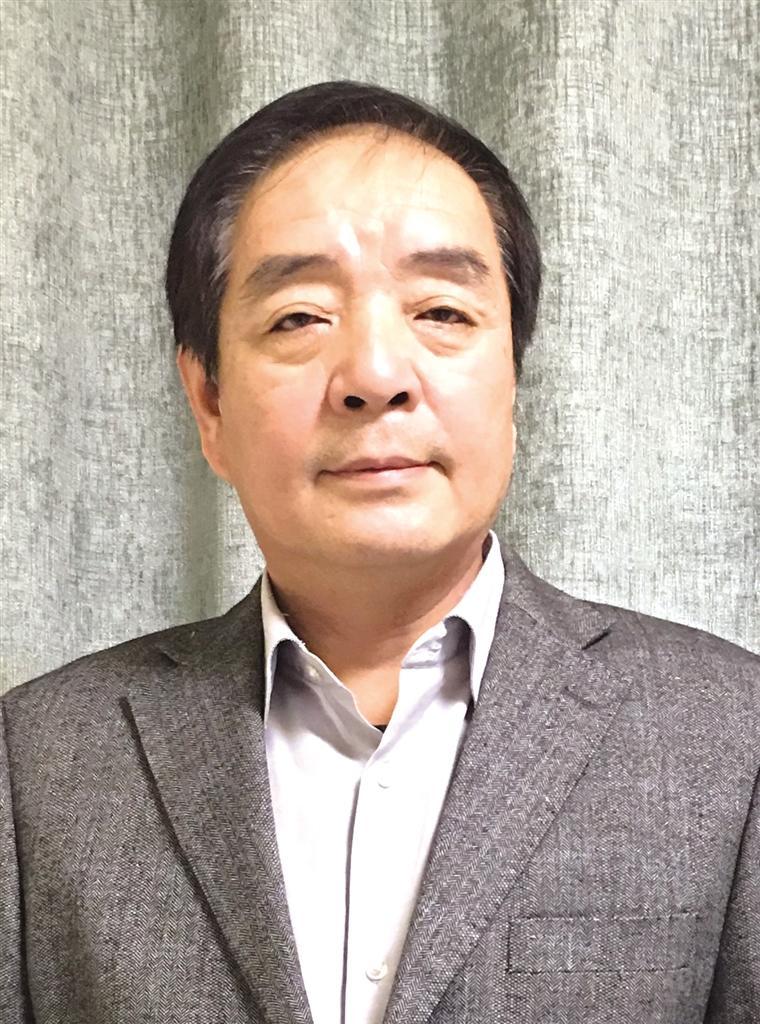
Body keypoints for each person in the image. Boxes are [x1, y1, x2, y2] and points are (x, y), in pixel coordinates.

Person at [1, 80, 757, 1024]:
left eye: (442, 311)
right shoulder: (35, 762)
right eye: (299, 317)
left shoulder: (733, 736)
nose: (375, 375)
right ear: (210, 404)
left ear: (513, 378)